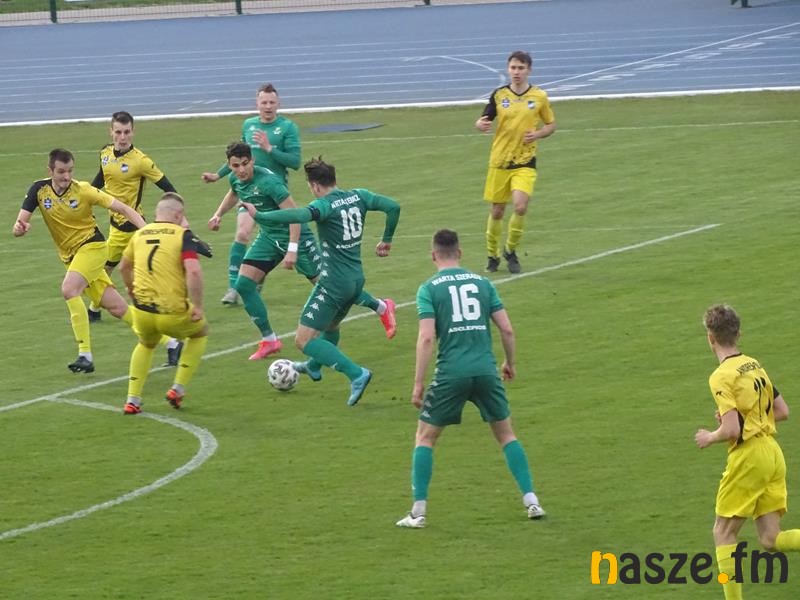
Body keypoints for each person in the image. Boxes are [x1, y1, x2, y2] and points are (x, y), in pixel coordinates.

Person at [396, 229, 544, 528]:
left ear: (433, 255)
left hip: (451, 373)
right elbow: (507, 329)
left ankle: (418, 512)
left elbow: (426, 338)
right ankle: (532, 501)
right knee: (507, 435)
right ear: (460, 253)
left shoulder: (428, 289)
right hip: (487, 371)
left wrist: (418, 383)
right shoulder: (483, 283)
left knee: (425, 437)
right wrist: (509, 362)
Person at [209, 143, 397, 360]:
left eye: (245, 164)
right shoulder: (235, 178)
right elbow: (234, 192)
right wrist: (218, 214)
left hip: (296, 238)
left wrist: (292, 249)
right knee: (243, 285)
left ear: (252, 160)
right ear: (229, 166)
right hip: (268, 238)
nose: (241, 170)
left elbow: (295, 215)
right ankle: (270, 340)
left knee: (329, 286)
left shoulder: (270, 183)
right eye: (235, 166)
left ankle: (381, 306)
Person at [240, 157, 400, 406]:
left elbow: (299, 215)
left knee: (303, 340)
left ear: (315, 185)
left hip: (332, 284)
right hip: (355, 280)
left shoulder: (324, 205)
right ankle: (314, 366)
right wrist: (386, 239)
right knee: (331, 328)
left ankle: (357, 374)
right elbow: (393, 206)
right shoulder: (359, 196)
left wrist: (260, 214)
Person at [89, 110, 210, 366]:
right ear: (111, 132)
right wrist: (84, 198)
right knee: (104, 270)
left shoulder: (141, 161)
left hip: (134, 229)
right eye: (118, 132)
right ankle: (94, 309)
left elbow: (169, 189)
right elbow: (99, 180)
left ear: (133, 132)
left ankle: (171, 340)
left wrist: (183, 224)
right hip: (115, 228)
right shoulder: (104, 153)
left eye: (127, 132)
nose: (122, 137)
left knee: (141, 284)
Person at [695, 304, 799, 599]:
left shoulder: (721, 376)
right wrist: (740, 420)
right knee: (770, 538)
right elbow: (782, 411)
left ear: (710, 338)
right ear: (738, 334)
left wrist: (710, 436)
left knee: (723, 533)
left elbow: (731, 431)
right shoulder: (754, 365)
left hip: (750, 457)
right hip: (772, 453)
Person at [12, 148, 146, 373]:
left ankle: (85, 355)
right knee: (116, 307)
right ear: (50, 171)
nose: (66, 176)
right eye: (61, 172)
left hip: (93, 247)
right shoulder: (38, 190)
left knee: (69, 289)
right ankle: (170, 342)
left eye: (70, 171)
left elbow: (123, 208)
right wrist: (20, 228)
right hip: (72, 257)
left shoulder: (83, 190)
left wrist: (146, 231)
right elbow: (19, 225)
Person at [201, 83, 301, 305]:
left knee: (271, 241)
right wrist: (218, 175)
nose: (268, 106)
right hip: (248, 193)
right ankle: (233, 288)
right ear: (257, 103)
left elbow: (295, 162)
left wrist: (269, 149)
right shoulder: (249, 125)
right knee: (242, 234)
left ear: (278, 103)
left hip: (273, 197)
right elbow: (238, 157)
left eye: (272, 102)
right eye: (264, 102)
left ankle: (258, 276)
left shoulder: (287, 127)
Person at [119, 193, 209, 414]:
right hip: (172, 312)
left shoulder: (139, 234)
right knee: (200, 333)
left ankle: (132, 400)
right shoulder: (183, 235)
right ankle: (178, 389)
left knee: (146, 344)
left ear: (157, 213)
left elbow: (124, 267)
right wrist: (197, 306)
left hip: (142, 310)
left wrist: (131, 289)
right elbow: (194, 271)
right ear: (179, 215)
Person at [475, 50, 556, 274]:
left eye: (521, 68)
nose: (516, 72)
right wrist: (480, 125)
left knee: (520, 206)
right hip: (500, 161)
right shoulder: (499, 95)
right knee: (497, 211)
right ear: (508, 69)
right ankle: (492, 254)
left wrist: (538, 134)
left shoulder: (539, 96)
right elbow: (484, 119)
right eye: (513, 68)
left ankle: (510, 250)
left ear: (529, 70)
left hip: (525, 161)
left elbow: (551, 125)